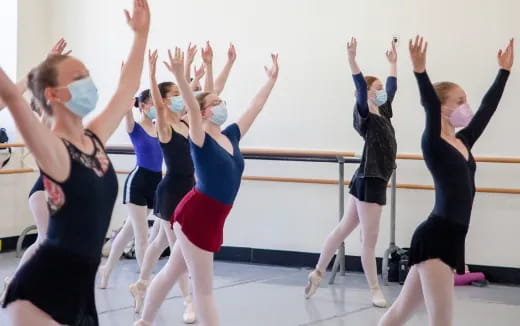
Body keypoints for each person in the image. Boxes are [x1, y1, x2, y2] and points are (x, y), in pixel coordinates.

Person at [0, 0, 150, 324]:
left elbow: (127, 91)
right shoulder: (53, 149)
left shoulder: (93, 139)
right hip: (40, 297)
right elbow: (12, 98)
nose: (89, 83)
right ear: (53, 94)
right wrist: (33, 73)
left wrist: (141, 35)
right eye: (79, 77)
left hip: (82, 297)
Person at [134, 46, 279, 326]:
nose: (222, 105)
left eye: (221, 100)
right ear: (201, 112)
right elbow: (189, 104)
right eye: (214, 102)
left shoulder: (232, 136)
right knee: (204, 289)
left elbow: (255, 107)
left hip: (211, 217)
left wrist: (270, 80)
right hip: (196, 216)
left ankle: (143, 321)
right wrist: (179, 74)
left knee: (169, 274)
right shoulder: (199, 140)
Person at [378, 36, 513, 326]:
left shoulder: (463, 140)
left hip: (448, 239)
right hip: (436, 238)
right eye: (460, 101)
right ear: (442, 107)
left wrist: (504, 72)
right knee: (442, 322)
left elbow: (488, 109)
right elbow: (428, 102)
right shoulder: (433, 142)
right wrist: (420, 71)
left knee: (400, 314)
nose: (467, 106)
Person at [130, 43, 237, 324]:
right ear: (164, 103)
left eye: (181, 94)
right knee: (176, 254)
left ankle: (146, 288)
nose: (180, 97)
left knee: (174, 256)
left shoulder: (190, 123)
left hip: (190, 192)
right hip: (170, 193)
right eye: (174, 95)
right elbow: (165, 99)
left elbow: (204, 96)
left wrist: (213, 66)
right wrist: (152, 75)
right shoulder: (164, 128)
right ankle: (188, 301)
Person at [305, 37, 398, 308]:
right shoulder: (364, 114)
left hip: (368, 178)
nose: (382, 92)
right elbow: (359, 86)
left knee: (343, 228)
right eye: (377, 89)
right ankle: (374, 290)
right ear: (367, 92)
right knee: (368, 241)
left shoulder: (384, 112)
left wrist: (394, 63)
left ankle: (318, 271)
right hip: (371, 180)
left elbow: (392, 89)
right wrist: (352, 60)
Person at [0, 39, 71, 304]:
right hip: (43, 191)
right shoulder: (42, 124)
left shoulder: (63, 124)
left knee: (50, 241)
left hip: (58, 192)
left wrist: (46, 62)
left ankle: (26, 285)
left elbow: (11, 92)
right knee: (47, 240)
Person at [98, 88, 163, 290]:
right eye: (152, 103)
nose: (155, 107)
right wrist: (127, 89)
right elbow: (127, 110)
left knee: (128, 232)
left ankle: (107, 268)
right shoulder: (134, 126)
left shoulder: (159, 127)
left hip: (156, 183)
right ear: (142, 105)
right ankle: (145, 281)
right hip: (138, 182)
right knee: (142, 236)